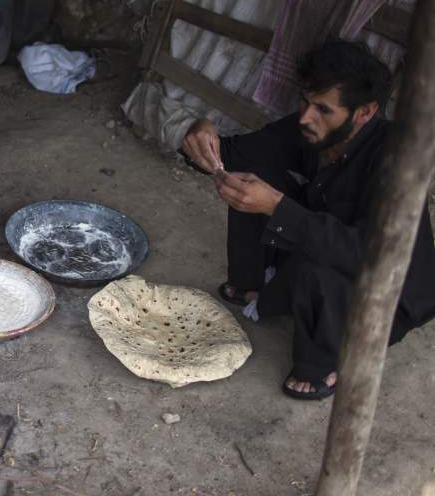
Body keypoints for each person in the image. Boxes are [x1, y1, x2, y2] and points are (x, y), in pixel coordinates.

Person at [180, 39, 435, 400]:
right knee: (259, 176)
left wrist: (277, 207)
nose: (305, 117)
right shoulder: (310, 128)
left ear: (365, 112)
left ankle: (324, 362)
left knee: (318, 263)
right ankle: (256, 286)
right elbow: (237, 152)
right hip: (326, 246)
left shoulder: (398, 162)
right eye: (304, 101)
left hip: (387, 289)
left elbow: (370, 256)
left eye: (323, 109)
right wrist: (201, 132)